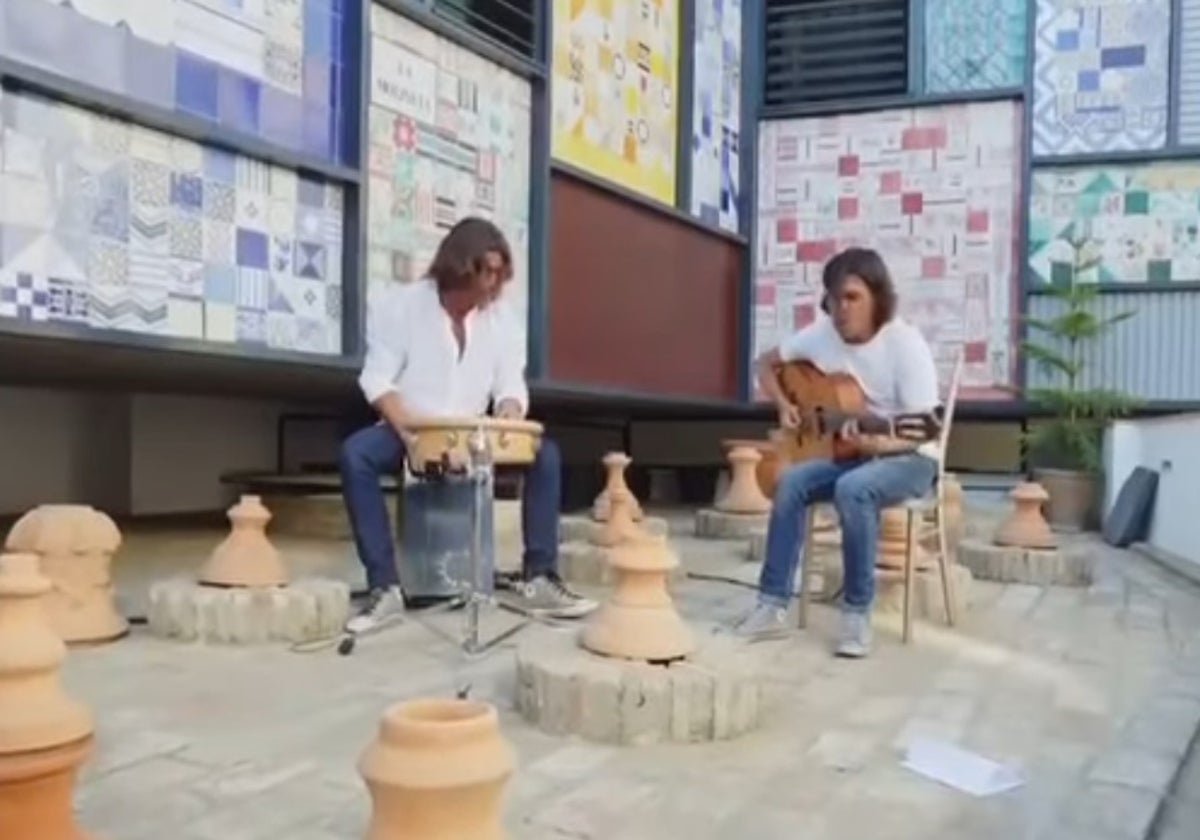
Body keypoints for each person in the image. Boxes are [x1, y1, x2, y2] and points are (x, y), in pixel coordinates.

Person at [339, 217, 597, 633]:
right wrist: (409, 435)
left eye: (499, 272)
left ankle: (540, 578)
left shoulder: (501, 319)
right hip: (413, 427)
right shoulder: (403, 306)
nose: (493, 283)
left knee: (544, 454)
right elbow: (377, 380)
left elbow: (510, 384)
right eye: (486, 271)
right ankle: (384, 588)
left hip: (474, 432)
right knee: (356, 454)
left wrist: (510, 414)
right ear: (459, 266)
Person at [732, 247, 942, 657]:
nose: (841, 309)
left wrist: (878, 442)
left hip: (912, 457)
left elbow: (924, 431)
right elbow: (764, 364)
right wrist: (784, 404)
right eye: (833, 299)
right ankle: (771, 605)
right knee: (790, 481)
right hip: (857, 453)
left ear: (877, 298)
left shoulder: (904, 344)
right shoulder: (821, 333)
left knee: (854, 488)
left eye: (852, 297)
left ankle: (856, 613)